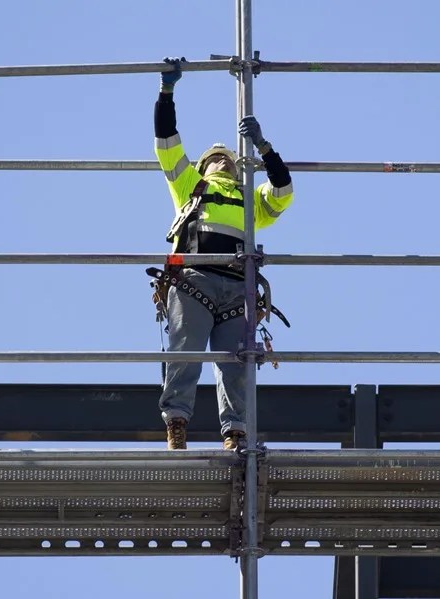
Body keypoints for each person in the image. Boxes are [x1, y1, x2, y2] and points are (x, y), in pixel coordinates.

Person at [152, 57, 294, 451]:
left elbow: (282, 191)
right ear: (202, 166)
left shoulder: (250, 200)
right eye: (215, 157)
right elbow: (167, 141)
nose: (222, 158)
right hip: (194, 280)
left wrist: (265, 148)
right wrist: (167, 92)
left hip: (236, 288)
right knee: (185, 353)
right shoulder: (190, 186)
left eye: (228, 157)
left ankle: (236, 432)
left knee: (237, 365)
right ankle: (176, 423)